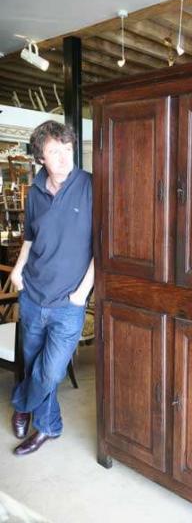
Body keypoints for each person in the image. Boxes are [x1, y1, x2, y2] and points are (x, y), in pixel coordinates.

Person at [10, 120, 93, 456]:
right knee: (33, 365)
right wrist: (17, 270)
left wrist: (81, 294)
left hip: (67, 304)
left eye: (67, 149)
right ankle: (48, 427)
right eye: (54, 151)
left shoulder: (90, 187)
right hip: (32, 295)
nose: (63, 157)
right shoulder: (34, 192)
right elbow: (30, 239)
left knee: (51, 370)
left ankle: (21, 403)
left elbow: (104, 247)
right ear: (40, 158)